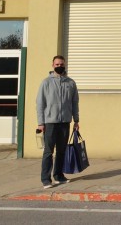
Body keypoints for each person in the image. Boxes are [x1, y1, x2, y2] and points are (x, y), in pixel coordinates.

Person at [36, 55, 80, 189]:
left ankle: (59, 175)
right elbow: (40, 103)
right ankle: (46, 179)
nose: (59, 66)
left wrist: (76, 120)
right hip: (50, 122)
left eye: (62, 64)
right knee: (49, 152)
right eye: (57, 65)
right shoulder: (46, 83)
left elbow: (74, 103)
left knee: (62, 150)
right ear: (52, 65)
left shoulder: (70, 83)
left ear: (65, 65)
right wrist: (40, 123)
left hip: (65, 122)